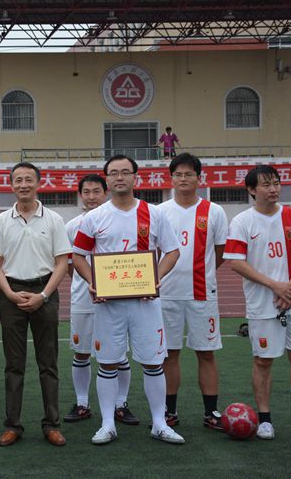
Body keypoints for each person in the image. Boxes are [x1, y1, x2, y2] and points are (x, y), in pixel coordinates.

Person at [72, 154, 184, 446]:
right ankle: (108, 424)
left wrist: (156, 278)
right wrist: (93, 282)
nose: (119, 177)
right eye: (113, 173)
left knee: (153, 362)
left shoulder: (154, 213)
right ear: (107, 178)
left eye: (125, 172)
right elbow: (78, 256)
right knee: (108, 363)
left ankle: (159, 423)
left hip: (146, 302)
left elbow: (172, 251)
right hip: (108, 304)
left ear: (136, 177)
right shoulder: (94, 217)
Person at [223, 165, 291, 440]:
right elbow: (235, 262)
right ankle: (265, 420)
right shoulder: (242, 221)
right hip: (262, 304)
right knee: (263, 361)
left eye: (276, 183)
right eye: (265, 184)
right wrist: (275, 285)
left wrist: (289, 287)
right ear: (251, 189)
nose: (273, 189)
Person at [0, 162, 70, 447]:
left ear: (38, 183)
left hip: (44, 293)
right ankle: (13, 425)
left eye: (28, 180)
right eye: (18, 180)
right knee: (14, 365)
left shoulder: (54, 220)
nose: (23, 185)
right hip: (11, 295)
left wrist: (43, 295)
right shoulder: (1, 221)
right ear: (11, 185)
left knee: (48, 363)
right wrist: (10, 293)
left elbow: (62, 262)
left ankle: (52, 424)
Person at [158, 153, 228, 429]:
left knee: (206, 353)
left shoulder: (214, 211)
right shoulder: (160, 211)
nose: (183, 179)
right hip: (167, 293)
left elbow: (220, 252)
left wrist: (204, 271)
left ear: (199, 178)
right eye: (178, 174)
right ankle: (169, 411)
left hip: (202, 293)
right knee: (169, 353)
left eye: (189, 174)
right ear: (171, 179)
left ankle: (211, 413)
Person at [63, 175, 138, 426]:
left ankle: (120, 404)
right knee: (81, 352)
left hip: (116, 298)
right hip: (83, 298)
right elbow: (71, 264)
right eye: (86, 192)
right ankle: (82, 403)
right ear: (80, 195)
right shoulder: (72, 226)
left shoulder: (120, 220)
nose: (91, 196)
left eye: (96, 191)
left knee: (119, 354)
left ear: (105, 192)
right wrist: (90, 283)